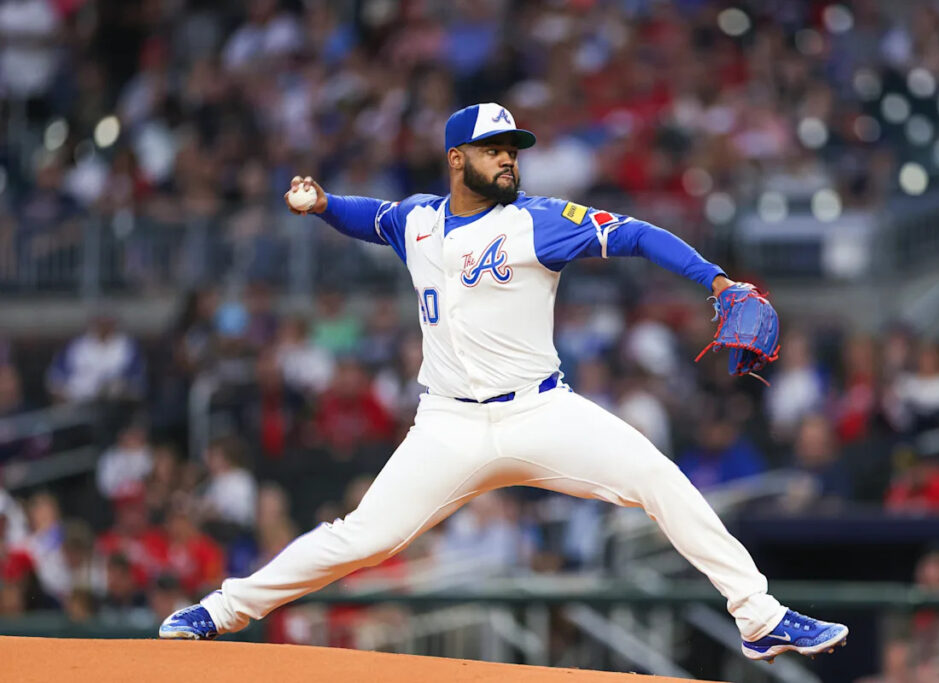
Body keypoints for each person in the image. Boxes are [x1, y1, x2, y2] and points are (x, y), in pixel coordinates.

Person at [160, 102, 848, 662]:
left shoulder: (536, 222)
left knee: (658, 478)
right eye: (494, 148)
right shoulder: (419, 221)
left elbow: (635, 233)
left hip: (539, 413)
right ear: (458, 158)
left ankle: (759, 616)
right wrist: (319, 203)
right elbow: (366, 217)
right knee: (360, 537)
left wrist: (718, 280)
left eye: (513, 147)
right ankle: (221, 609)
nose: (509, 157)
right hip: (448, 425)